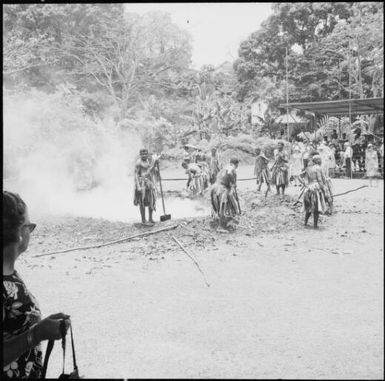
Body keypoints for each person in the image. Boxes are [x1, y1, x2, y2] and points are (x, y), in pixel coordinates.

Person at [3, 191, 71, 379]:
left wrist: (41, 325)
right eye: (29, 226)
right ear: (18, 233)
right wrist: (36, 334)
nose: (30, 232)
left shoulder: (9, 272)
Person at [299, 155, 332, 229]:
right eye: (319, 160)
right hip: (316, 189)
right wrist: (324, 191)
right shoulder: (318, 168)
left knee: (309, 207)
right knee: (316, 207)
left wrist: (305, 185)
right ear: (317, 161)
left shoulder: (308, 168)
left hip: (308, 189)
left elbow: (299, 176)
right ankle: (315, 225)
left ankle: (305, 223)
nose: (321, 161)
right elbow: (320, 180)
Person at [211, 158, 241, 232]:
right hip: (221, 189)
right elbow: (230, 173)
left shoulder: (224, 168)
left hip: (215, 187)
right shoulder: (232, 168)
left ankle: (224, 219)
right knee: (224, 206)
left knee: (219, 206)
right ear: (236, 164)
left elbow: (219, 177)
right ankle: (220, 227)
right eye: (237, 164)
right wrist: (233, 182)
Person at [134, 148, 159, 225]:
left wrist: (156, 166)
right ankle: (143, 220)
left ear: (148, 154)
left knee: (151, 201)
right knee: (142, 202)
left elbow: (152, 171)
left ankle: (150, 218)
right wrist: (138, 186)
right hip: (142, 183)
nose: (144, 155)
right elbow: (136, 175)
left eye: (145, 153)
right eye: (142, 154)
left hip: (149, 183)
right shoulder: (138, 163)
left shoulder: (148, 161)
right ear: (140, 154)